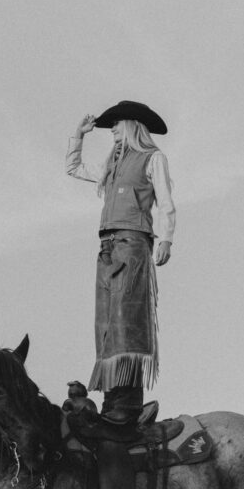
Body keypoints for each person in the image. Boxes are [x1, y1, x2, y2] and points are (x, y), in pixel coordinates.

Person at [66, 100, 176, 424]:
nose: (111, 129)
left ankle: (126, 405)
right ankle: (111, 401)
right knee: (106, 324)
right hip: (107, 248)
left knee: (127, 321)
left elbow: (167, 203)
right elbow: (73, 169)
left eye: (116, 123)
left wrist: (167, 238)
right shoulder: (112, 165)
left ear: (130, 125)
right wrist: (79, 136)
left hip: (132, 244)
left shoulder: (152, 159)